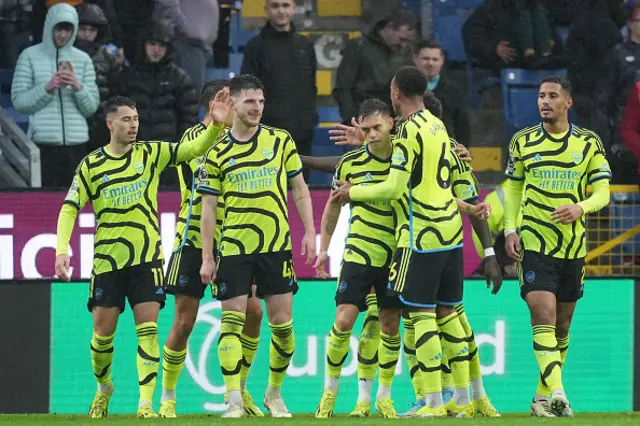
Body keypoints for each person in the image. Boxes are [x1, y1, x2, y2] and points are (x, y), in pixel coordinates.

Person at [332, 66, 501, 418]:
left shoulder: (408, 131)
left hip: (420, 235)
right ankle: (463, 398)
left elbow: (394, 188)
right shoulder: (438, 126)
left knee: (421, 316)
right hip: (451, 233)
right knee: (449, 314)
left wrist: (354, 190)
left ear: (396, 94)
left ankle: (435, 402)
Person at [53, 93, 231, 418]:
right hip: (108, 260)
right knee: (102, 337)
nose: (133, 125)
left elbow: (191, 150)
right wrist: (61, 250)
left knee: (148, 330)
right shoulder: (92, 164)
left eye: (136, 119)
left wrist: (215, 127)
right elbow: (69, 207)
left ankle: (145, 403)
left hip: (147, 258)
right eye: (126, 119)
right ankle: (104, 387)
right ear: (110, 124)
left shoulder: (150, 153)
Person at [197, 74, 316, 418]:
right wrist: (207, 257)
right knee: (231, 322)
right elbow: (207, 209)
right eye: (250, 101)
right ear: (232, 104)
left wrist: (309, 232)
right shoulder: (216, 151)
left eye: (261, 101)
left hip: (276, 247)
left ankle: (274, 393)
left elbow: (299, 189)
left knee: (283, 327)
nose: (257, 108)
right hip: (234, 247)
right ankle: (233, 398)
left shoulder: (281, 141)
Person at [503, 76, 611, 417]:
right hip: (534, 244)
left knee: (562, 326)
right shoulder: (522, 142)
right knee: (543, 315)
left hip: (573, 249)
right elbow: (513, 189)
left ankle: (541, 398)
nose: (544, 102)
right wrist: (510, 228)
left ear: (568, 102)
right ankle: (559, 391)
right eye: (540, 96)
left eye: (552, 96)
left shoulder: (589, 143)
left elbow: (603, 192)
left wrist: (581, 207)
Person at [159, 80, 265, 418]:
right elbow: (199, 174)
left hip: (234, 240)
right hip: (192, 240)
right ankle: (168, 396)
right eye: (233, 104)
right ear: (216, 105)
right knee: (185, 322)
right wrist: (214, 125)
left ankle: (239, 391)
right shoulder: (193, 140)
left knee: (254, 313)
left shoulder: (245, 140)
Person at [11, 3, 100, 188]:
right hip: (44, 145)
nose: (63, 35)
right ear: (49, 27)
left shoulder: (83, 60)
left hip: (78, 145)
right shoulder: (29, 56)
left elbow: (91, 107)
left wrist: (77, 86)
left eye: (68, 30)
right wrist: (48, 88)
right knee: (47, 208)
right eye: (59, 29)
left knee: (75, 207)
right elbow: (19, 102)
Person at [112, 19, 199, 187]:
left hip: (168, 158)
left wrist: (177, 151)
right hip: (133, 155)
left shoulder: (179, 78)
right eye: (152, 44)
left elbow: (188, 119)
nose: (156, 50)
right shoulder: (127, 77)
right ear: (143, 45)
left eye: (162, 45)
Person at [241, 0, 317, 179]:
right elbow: (247, 89)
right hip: (266, 131)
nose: (281, 10)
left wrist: (309, 119)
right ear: (267, 10)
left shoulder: (305, 45)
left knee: (301, 190)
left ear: (293, 8)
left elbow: (311, 87)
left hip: (302, 132)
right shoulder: (255, 46)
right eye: (275, 6)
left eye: (285, 5)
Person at [333, 8, 418, 123]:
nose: (403, 45)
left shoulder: (405, 54)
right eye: (402, 39)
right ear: (390, 28)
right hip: (363, 118)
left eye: (408, 41)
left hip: (395, 121)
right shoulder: (359, 46)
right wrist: (352, 119)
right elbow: (343, 87)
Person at [74, 2, 124, 149]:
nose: (87, 34)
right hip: (74, 127)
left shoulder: (109, 57)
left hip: (102, 127)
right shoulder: (63, 56)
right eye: (82, 29)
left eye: (92, 30)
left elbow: (119, 93)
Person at [413, 41, 471, 147]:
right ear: (415, 59)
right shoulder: (402, 88)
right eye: (425, 59)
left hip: (445, 153)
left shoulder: (454, 91)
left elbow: (463, 127)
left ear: (442, 61)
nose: (430, 63)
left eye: (435, 59)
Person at [153, 0, 219, 93]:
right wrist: (184, 26)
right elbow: (167, 2)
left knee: (191, 97)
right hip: (186, 44)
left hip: (199, 45)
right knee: (188, 96)